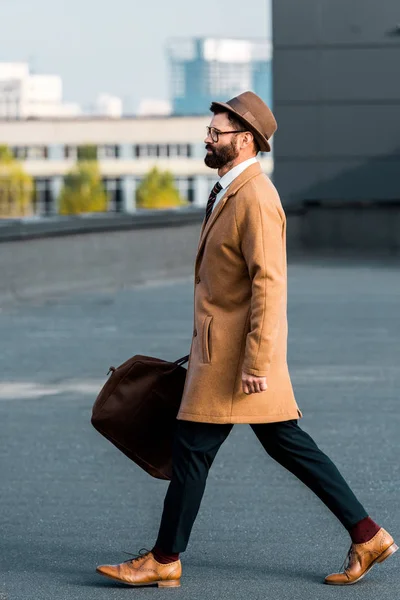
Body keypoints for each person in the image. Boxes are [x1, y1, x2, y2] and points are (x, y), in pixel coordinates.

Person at [96, 91, 397, 588]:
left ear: (247, 140)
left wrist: (257, 361)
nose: (208, 139)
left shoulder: (256, 197)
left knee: (193, 449)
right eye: (209, 131)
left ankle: (165, 558)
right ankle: (367, 535)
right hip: (226, 354)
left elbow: (269, 284)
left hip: (237, 361)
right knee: (288, 445)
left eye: (217, 133)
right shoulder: (232, 190)